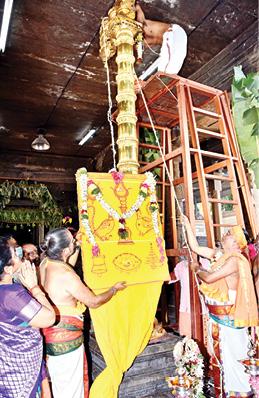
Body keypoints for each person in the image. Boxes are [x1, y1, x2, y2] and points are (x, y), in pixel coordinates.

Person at [39, 227, 127, 398]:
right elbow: (94, 302)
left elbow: (67, 265)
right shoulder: (65, 274)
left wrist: (77, 245)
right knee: (70, 389)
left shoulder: (46, 263)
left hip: (51, 335)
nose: (74, 242)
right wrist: (113, 289)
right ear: (65, 250)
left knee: (59, 384)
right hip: (66, 341)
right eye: (72, 241)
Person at [182, 216, 258, 398]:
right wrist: (186, 224)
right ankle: (227, 391)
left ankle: (241, 393)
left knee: (234, 359)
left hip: (229, 319)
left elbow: (208, 278)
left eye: (230, 234)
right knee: (222, 358)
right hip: (217, 318)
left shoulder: (235, 261)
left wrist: (196, 268)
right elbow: (195, 248)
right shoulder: (220, 255)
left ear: (237, 243)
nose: (225, 233)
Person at [0, 237, 55, 398]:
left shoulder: (8, 289)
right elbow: (49, 318)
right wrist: (34, 286)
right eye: (17, 251)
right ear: (8, 269)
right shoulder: (10, 295)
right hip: (16, 376)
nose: (22, 254)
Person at [135, 2, 187, 79]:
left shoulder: (143, 25)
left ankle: (162, 80)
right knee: (167, 67)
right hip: (171, 38)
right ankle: (158, 80)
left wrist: (137, 7)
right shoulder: (144, 39)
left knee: (169, 70)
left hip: (174, 33)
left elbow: (139, 13)